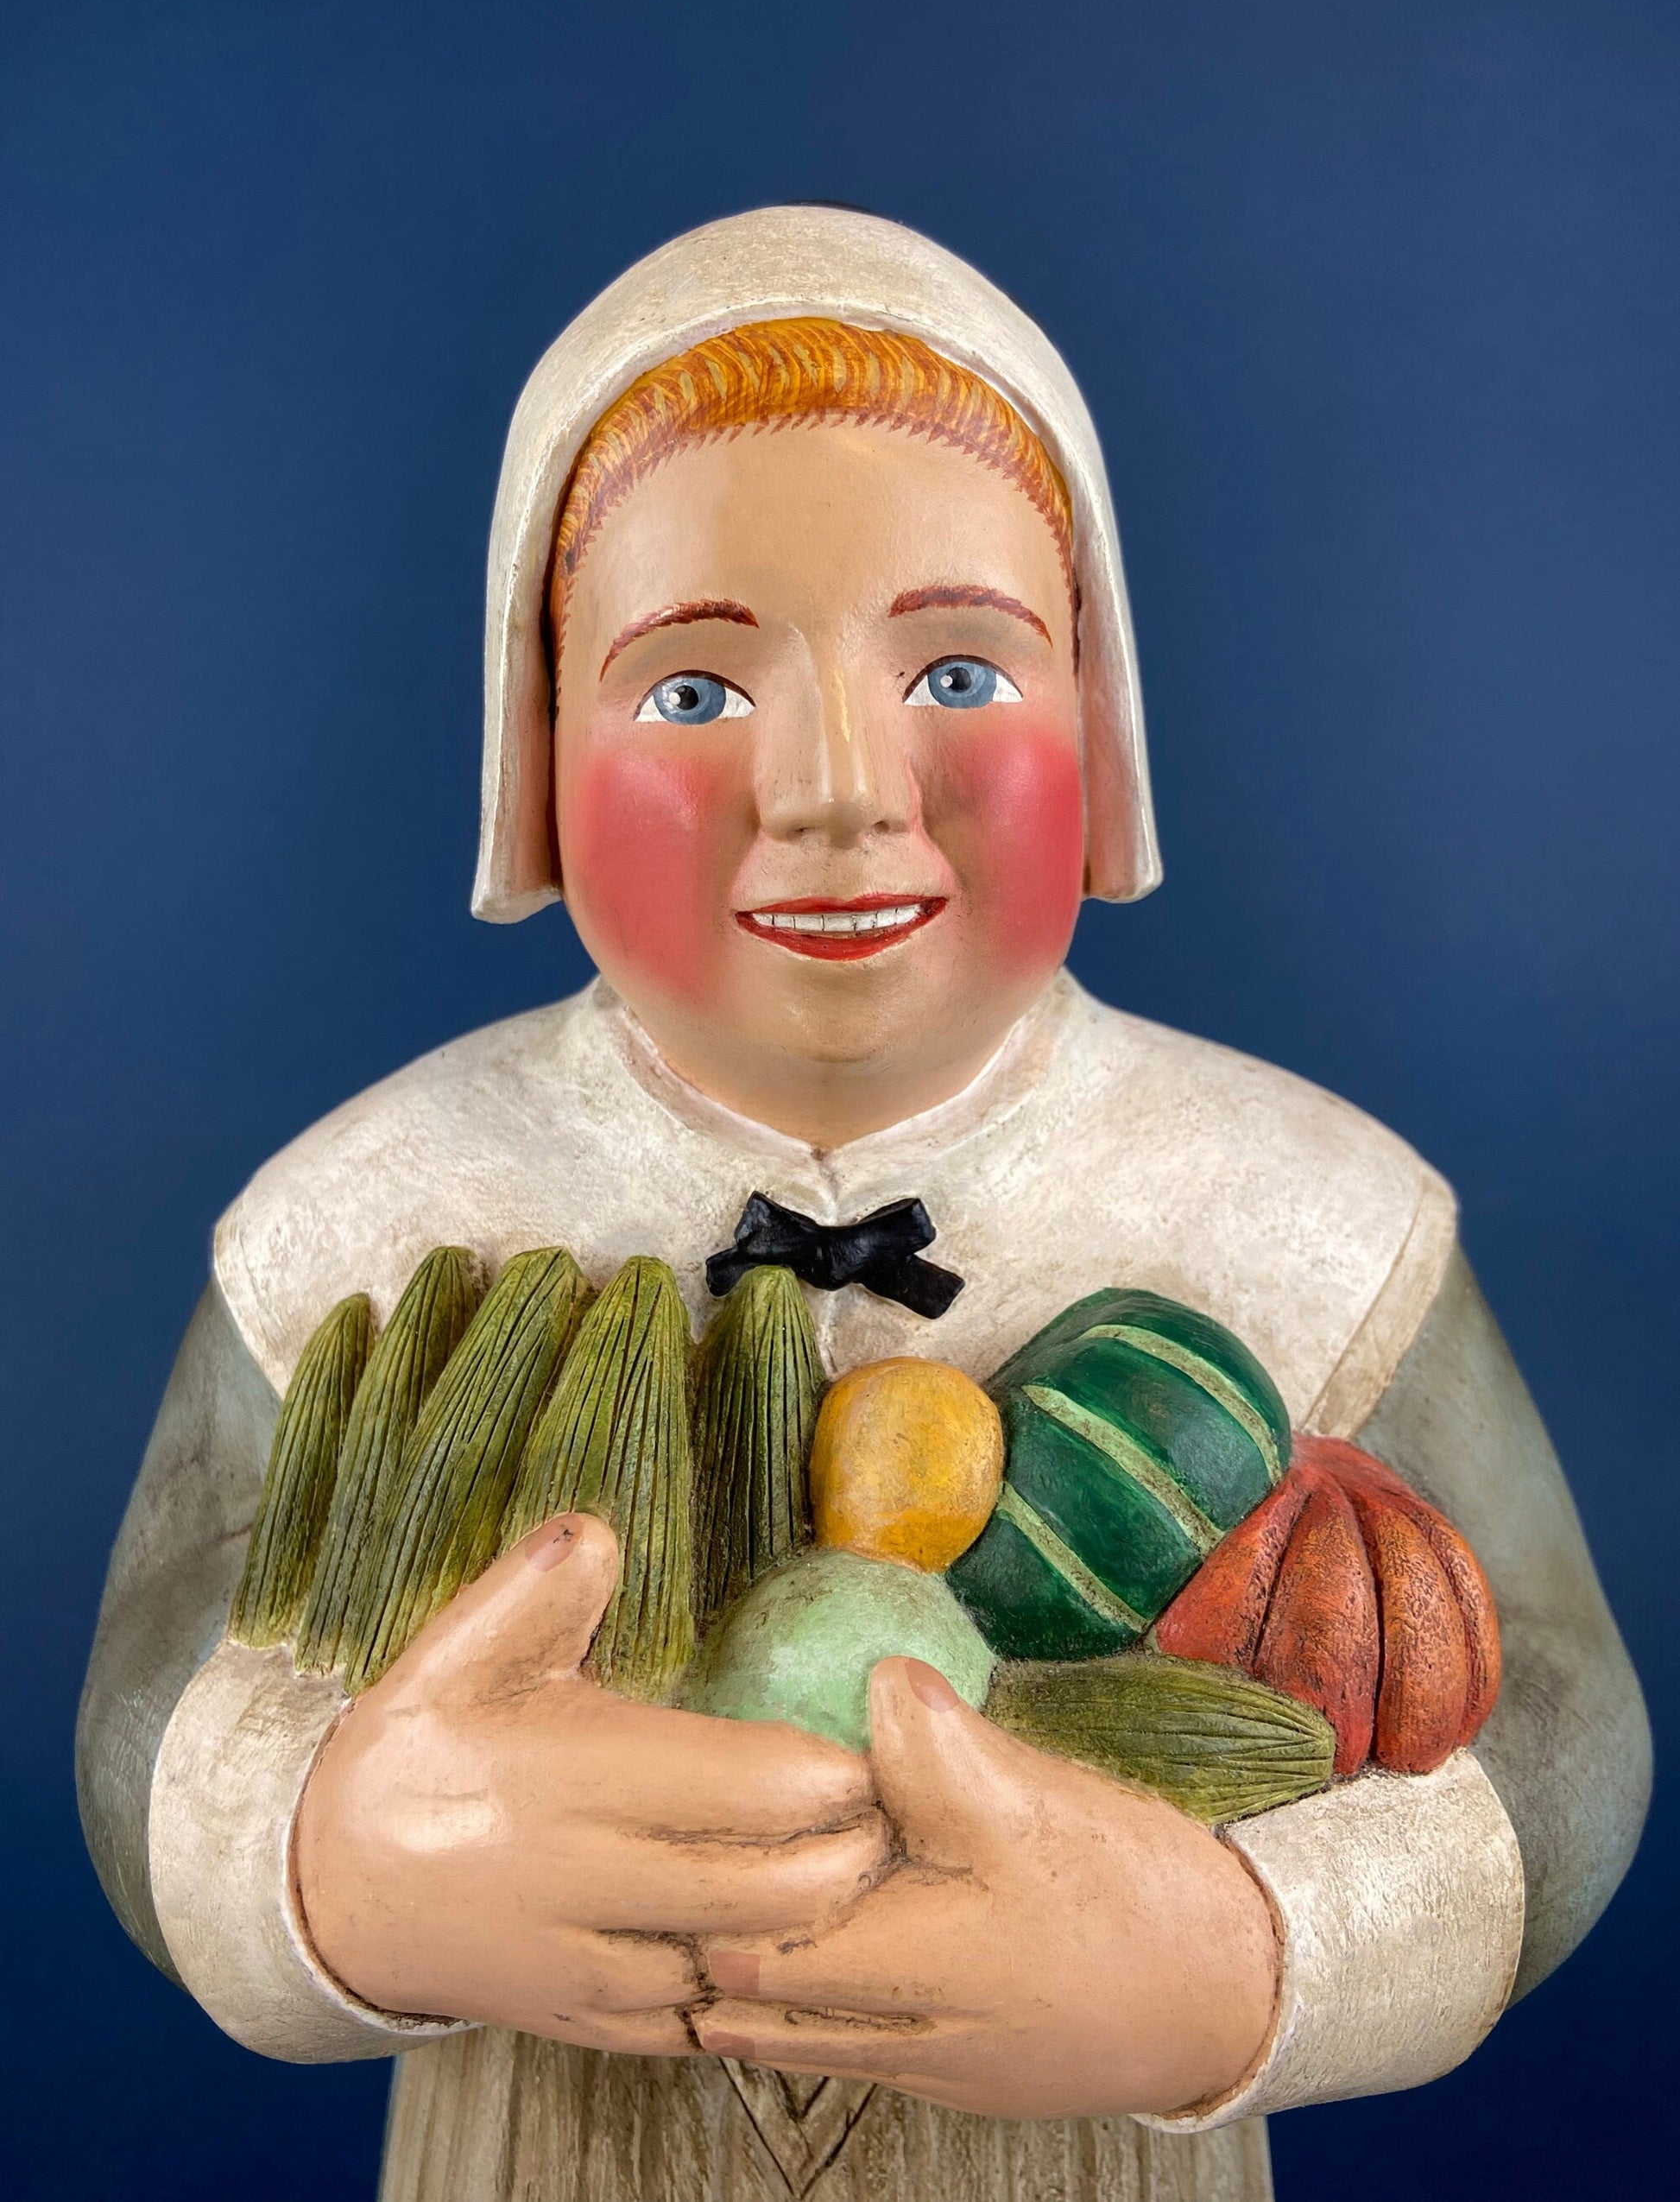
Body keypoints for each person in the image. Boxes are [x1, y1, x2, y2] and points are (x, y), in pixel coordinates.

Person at [78, 207, 1650, 2202]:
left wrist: (1247, 1960)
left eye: (961, 665)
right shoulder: (364, 1224)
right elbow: (152, 1702)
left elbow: (1559, 1739)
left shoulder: (1314, 1216)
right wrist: (331, 1857)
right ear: (535, 753)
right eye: (694, 693)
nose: (836, 784)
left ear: (1103, 713)